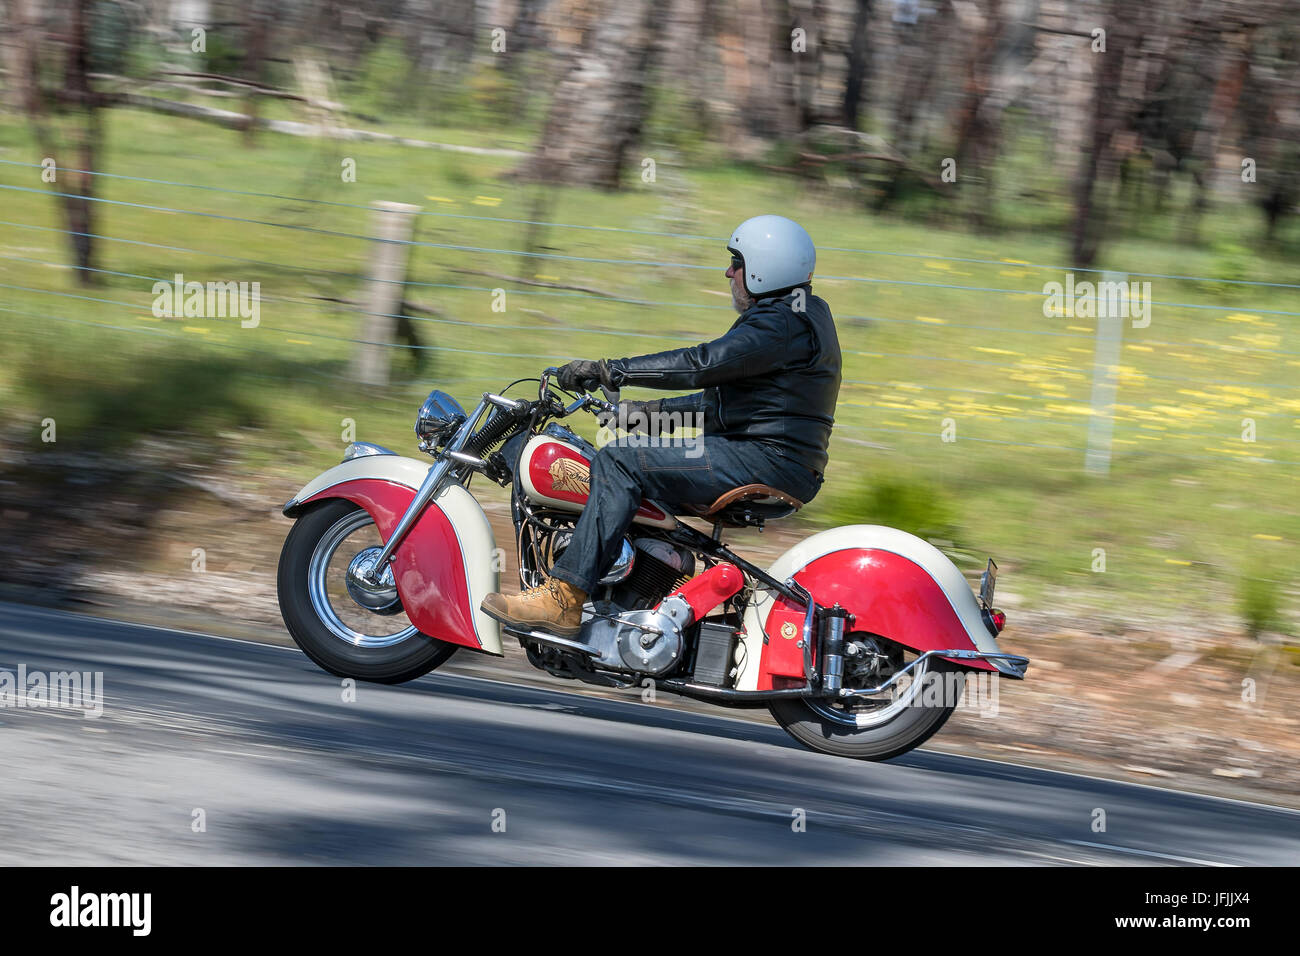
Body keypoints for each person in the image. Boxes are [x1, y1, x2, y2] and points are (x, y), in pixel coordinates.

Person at [480, 214, 842, 636]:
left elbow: (702, 364)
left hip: (764, 459)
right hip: (773, 458)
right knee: (627, 466)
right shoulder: (799, 314)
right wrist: (644, 414)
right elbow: (726, 406)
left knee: (619, 461)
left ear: (765, 268)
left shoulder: (780, 323)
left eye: (736, 262)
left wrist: (610, 370)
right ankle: (635, 591)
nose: (728, 272)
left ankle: (563, 600)